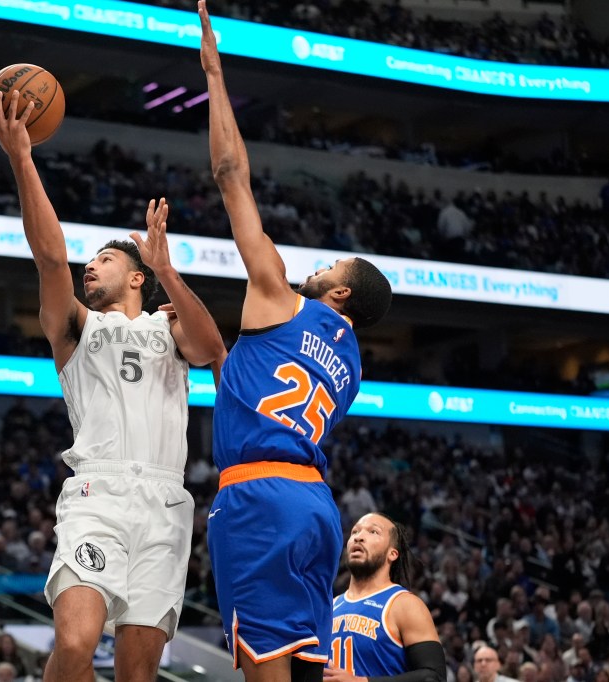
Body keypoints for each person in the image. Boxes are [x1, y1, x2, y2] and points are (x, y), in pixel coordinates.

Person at [0, 77, 225, 682]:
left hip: (167, 504)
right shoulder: (74, 326)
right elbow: (48, 255)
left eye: (107, 259)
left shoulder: (171, 326)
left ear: (140, 276)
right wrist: (21, 157)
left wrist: (169, 268)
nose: (91, 265)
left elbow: (213, 348)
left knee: (137, 674)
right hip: (99, 496)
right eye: (89, 261)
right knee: (75, 641)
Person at [199, 2, 392, 679]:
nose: (318, 264)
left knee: (265, 671)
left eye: (330, 267)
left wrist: (215, 78)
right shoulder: (352, 364)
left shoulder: (280, 295)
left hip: (262, 501)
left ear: (339, 293)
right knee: (309, 670)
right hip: (317, 509)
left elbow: (230, 177)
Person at [324, 514, 444, 682]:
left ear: (392, 554)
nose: (359, 537)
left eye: (373, 532)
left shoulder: (404, 604)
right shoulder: (330, 607)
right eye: (355, 532)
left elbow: (434, 677)